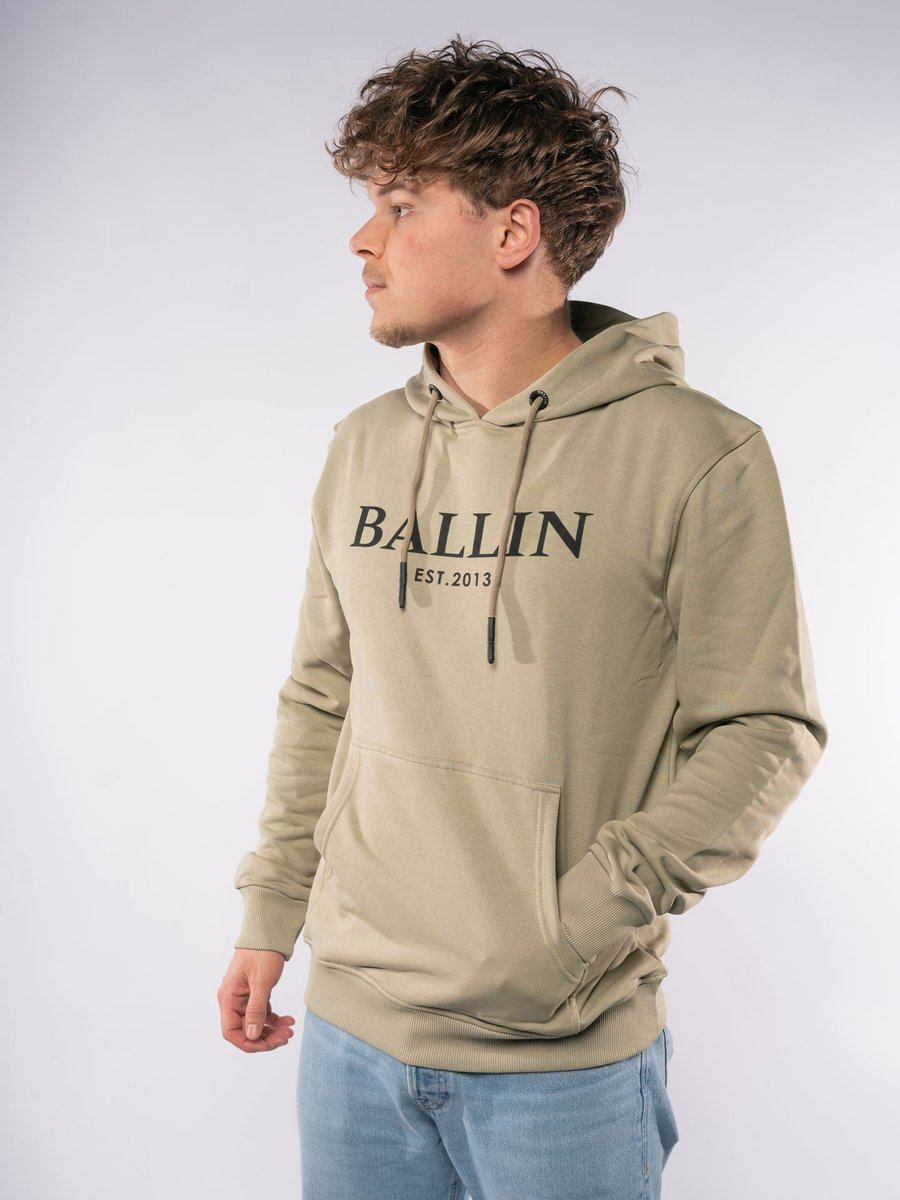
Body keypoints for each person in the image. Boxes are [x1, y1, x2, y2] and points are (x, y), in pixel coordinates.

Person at [217, 35, 829, 1200]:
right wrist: (272, 910)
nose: (363, 240)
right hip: (349, 1032)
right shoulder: (364, 447)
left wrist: (570, 926)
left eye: (400, 205)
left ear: (513, 233)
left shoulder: (698, 454)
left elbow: (765, 729)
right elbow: (323, 693)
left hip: (562, 1065)